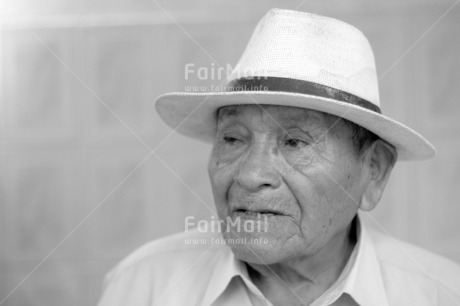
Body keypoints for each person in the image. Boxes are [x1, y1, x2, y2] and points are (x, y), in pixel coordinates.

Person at [98, 8, 460, 306]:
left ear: (374, 171)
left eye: (295, 143)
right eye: (233, 138)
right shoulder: (142, 285)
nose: (250, 175)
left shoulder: (441, 294)